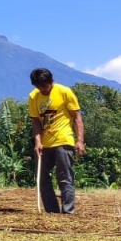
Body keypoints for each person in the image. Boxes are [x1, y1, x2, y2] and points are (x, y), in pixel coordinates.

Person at [28, 68, 85, 214]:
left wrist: (80, 141)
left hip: (63, 140)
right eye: (39, 87)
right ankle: (52, 211)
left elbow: (77, 117)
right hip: (45, 144)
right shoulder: (33, 96)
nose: (42, 90)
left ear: (51, 81)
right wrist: (37, 142)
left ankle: (67, 211)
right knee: (41, 177)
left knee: (64, 177)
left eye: (45, 86)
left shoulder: (65, 92)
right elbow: (35, 121)